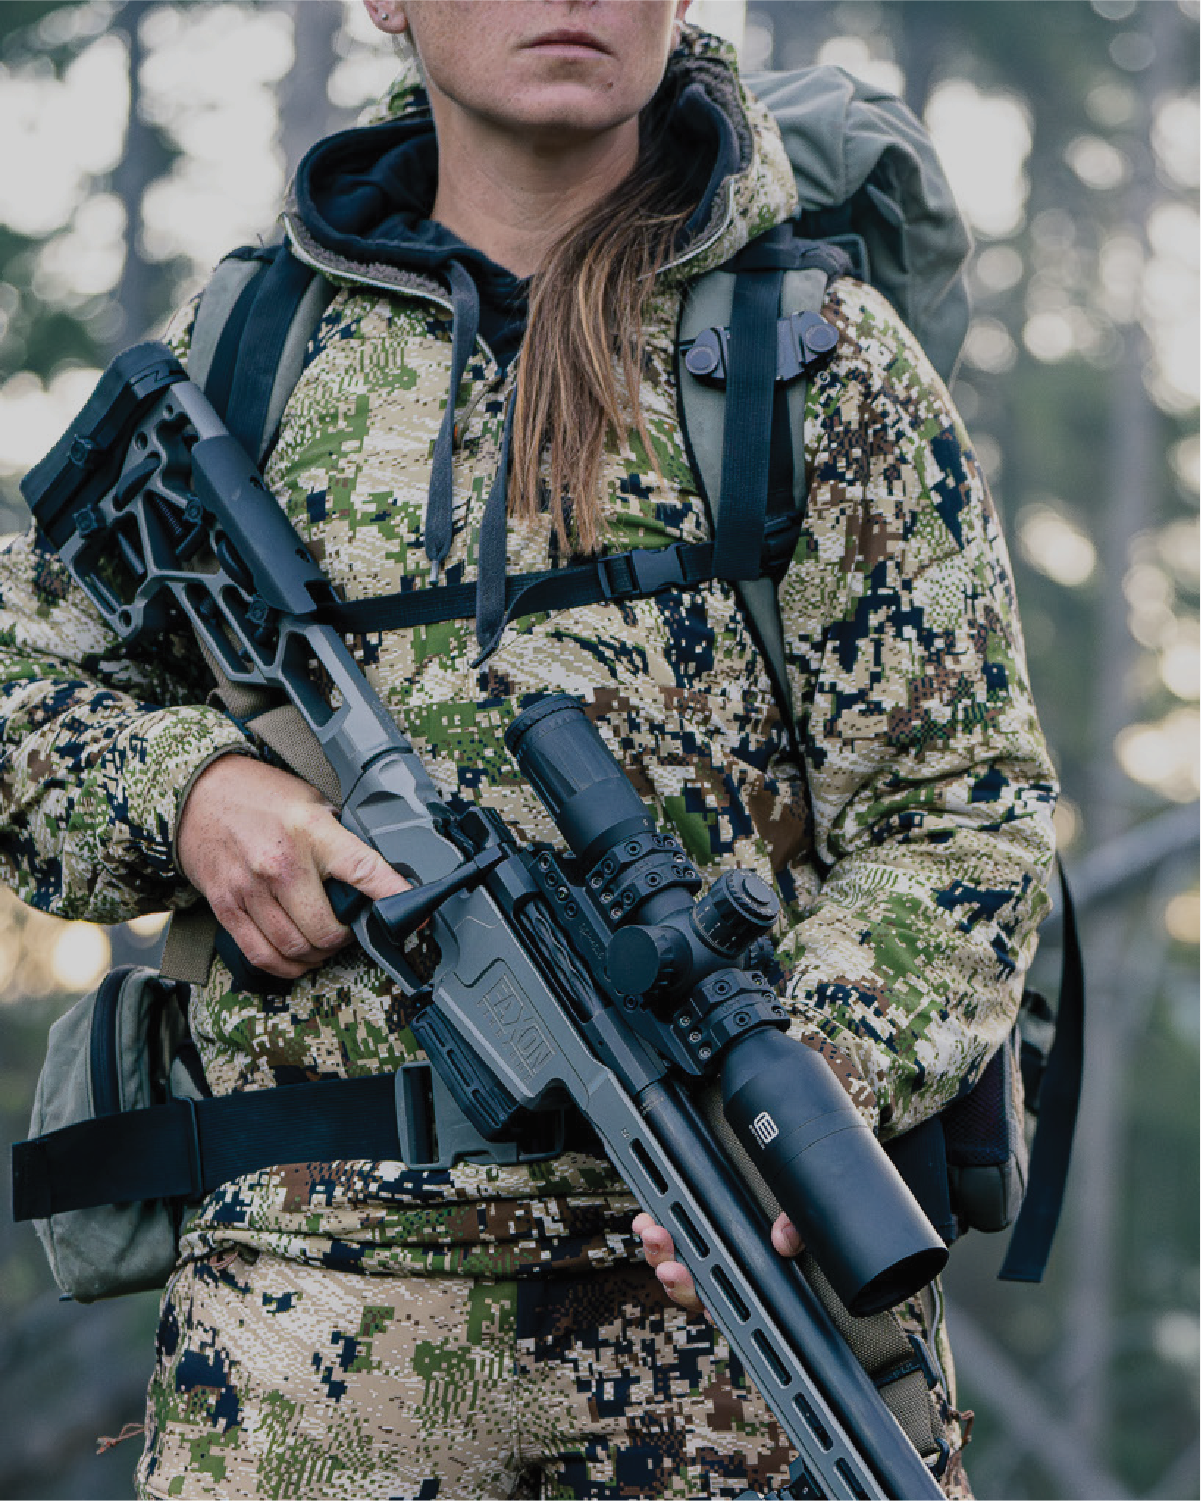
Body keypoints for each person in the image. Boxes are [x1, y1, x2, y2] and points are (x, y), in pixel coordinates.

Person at [0, 2, 1058, 1497]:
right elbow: (22, 684)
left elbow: (971, 814)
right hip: (311, 1356)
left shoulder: (812, 357)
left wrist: (808, 1070)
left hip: (735, 1346)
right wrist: (192, 792)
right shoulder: (252, 347)